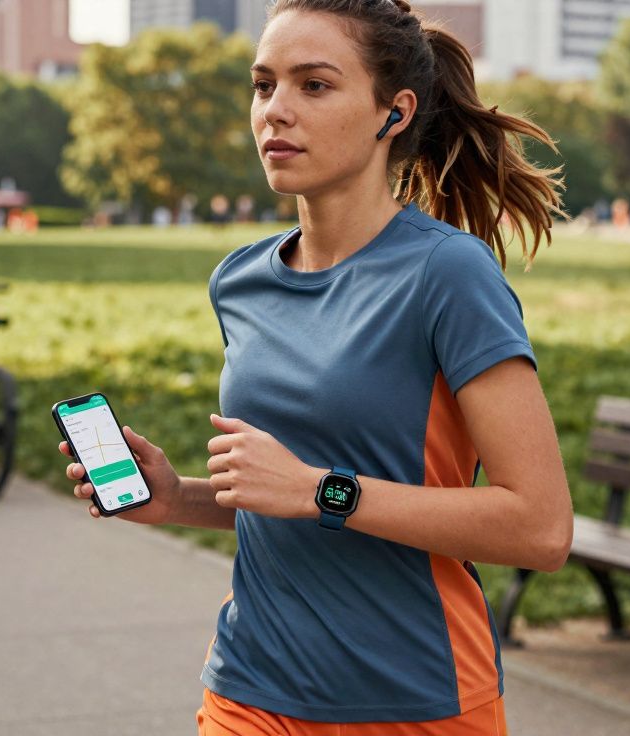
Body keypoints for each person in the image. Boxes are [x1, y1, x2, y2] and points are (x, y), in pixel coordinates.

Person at [60, 2, 572, 734]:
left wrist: (320, 490)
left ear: (392, 114)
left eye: (315, 86)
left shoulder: (448, 275)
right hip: (249, 687)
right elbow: (282, 498)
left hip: (412, 699)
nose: (276, 112)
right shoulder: (240, 281)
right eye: (263, 85)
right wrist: (180, 499)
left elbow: (540, 527)